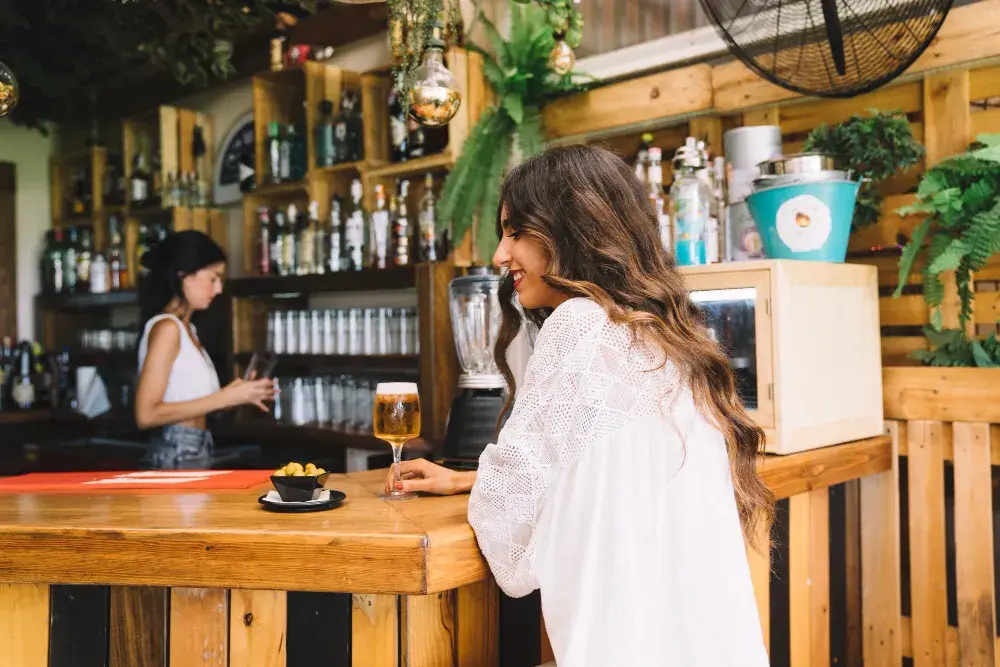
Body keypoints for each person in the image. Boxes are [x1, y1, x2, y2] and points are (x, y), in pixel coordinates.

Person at [386, 145, 773, 666]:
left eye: (515, 232)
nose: (500, 256)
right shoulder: (668, 335)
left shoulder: (580, 325)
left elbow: (513, 534)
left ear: (571, 229)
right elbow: (606, 469)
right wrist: (468, 479)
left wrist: (492, 484)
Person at [135, 230, 273, 469]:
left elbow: (193, 402)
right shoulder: (168, 328)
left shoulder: (189, 330)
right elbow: (145, 415)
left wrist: (238, 394)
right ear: (183, 276)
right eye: (213, 278)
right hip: (175, 450)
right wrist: (226, 397)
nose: (219, 289)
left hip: (195, 447)